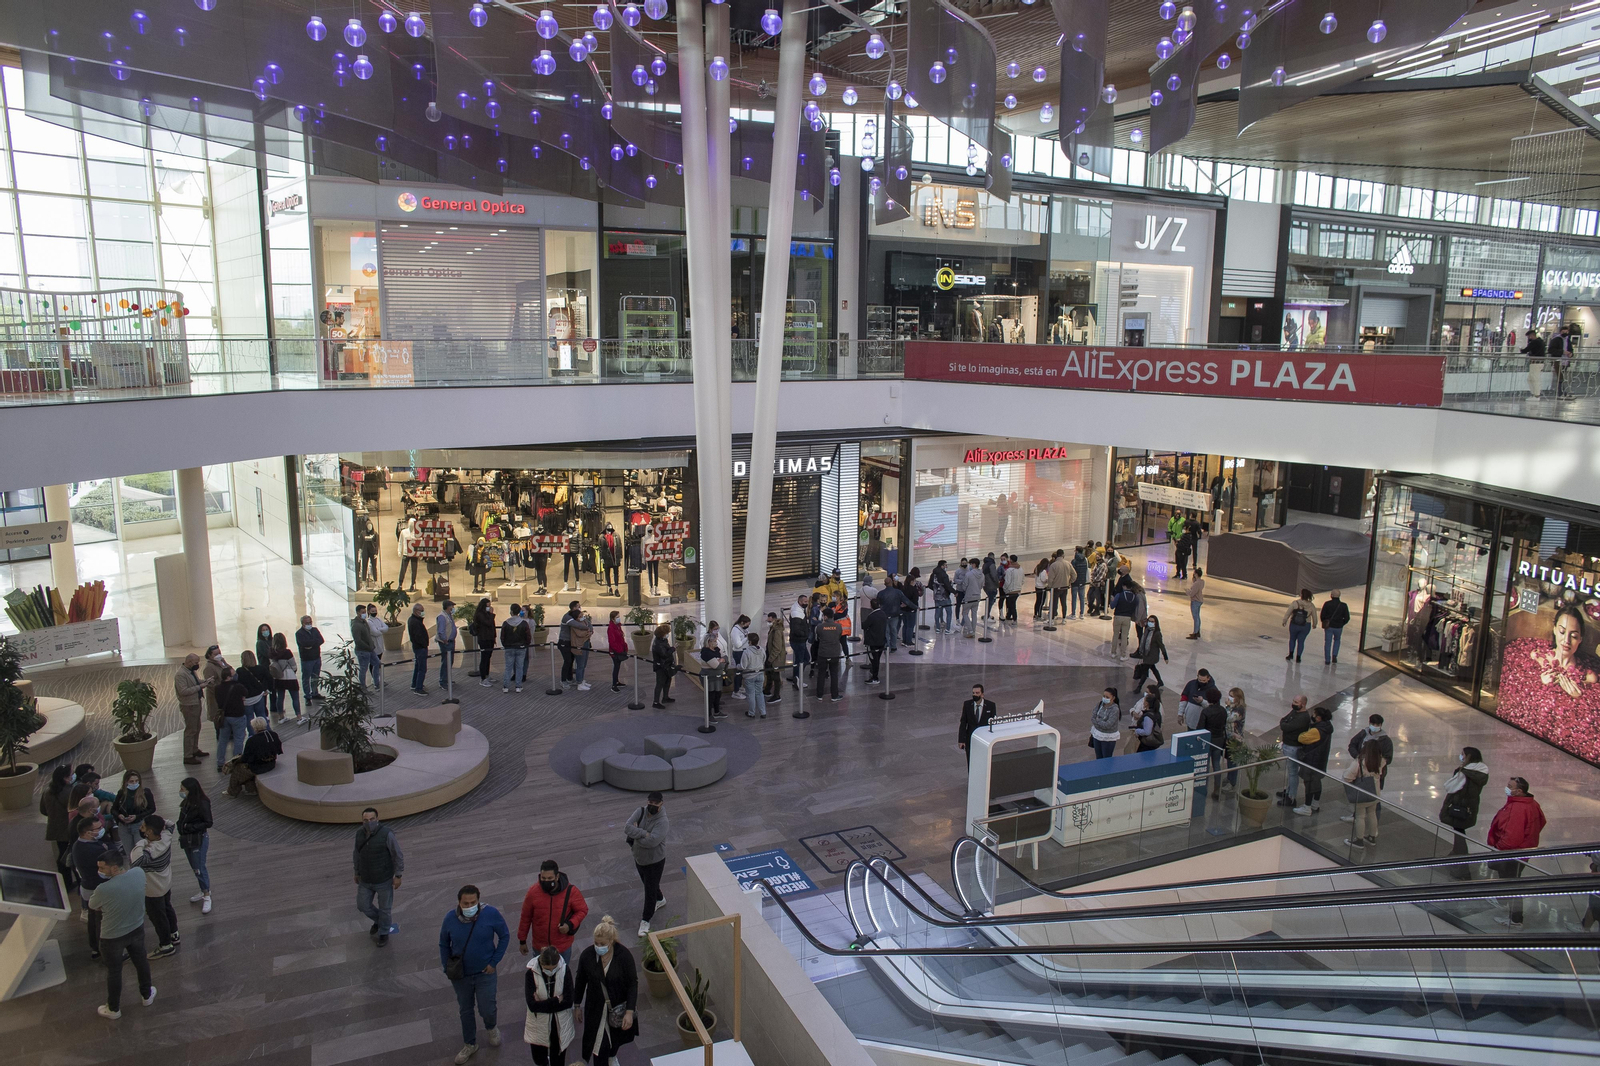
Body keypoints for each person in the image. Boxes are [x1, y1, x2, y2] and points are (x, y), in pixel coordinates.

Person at [439, 884, 510, 1064]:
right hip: (461, 975)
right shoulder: (449, 919)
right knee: (465, 1010)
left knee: (487, 1007)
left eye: (473, 902)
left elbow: (504, 936)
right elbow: (443, 944)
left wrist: (494, 962)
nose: (469, 906)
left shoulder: (491, 914)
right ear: (459, 902)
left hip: (485, 973)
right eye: (465, 903)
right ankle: (470, 1043)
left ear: (478, 901)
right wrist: (446, 966)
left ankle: (491, 1027)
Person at [90, 850, 155, 1019]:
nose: (99, 871)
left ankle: (113, 1008)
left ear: (113, 868)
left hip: (112, 937)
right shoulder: (138, 873)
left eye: (102, 868)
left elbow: (93, 905)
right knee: (141, 962)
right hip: (136, 928)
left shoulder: (103, 889)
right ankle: (147, 995)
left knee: (114, 971)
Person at [573, 916, 638, 1066]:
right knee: (599, 1048)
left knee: (614, 1039)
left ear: (611, 941)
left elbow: (632, 983)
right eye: (596, 943)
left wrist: (629, 1011)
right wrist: (577, 1005)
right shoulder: (587, 956)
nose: (598, 946)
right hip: (595, 1008)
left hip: (617, 1007)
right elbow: (581, 980)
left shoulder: (624, 956)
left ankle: (612, 1055)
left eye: (602, 944)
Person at [1487, 777, 1547, 927]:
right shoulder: (1532, 803)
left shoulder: (1517, 809)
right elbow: (1542, 821)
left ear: (1519, 791)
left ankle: (1515, 919)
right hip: (1524, 851)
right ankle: (1504, 902)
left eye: (1510, 786)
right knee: (1511, 881)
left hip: (1512, 854)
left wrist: (1498, 848)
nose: (1507, 788)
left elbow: (1511, 838)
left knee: (1512, 885)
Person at [519, 860, 590, 964]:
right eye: (543, 878)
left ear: (557, 877)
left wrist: (570, 925)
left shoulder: (571, 892)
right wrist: (522, 940)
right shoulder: (533, 892)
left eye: (550, 878)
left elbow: (582, 910)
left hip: (562, 947)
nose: (546, 881)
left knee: (562, 975)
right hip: (540, 947)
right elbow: (525, 917)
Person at [130, 814, 178, 958]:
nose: (141, 828)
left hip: (152, 889)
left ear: (149, 832)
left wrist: (141, 842)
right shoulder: (166, 837)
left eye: (144, 827)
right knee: (167, 908)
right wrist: (160, 822)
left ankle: (166, 945)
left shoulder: (149, 852)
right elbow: (170, 824)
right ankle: (174, 934)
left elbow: (135, 862)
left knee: (158, 917)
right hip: (165, 883)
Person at [354, 806, 404, 946]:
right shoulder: (359, 834)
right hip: (365, 879)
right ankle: (379, 921)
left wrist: (398, 875)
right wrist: (356, 872)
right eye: (365, 820)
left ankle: (383, 932)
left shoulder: (387, 834)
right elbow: (356, 854)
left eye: (372, 819)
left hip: (383, 879)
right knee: (363, 905)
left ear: (377, 819)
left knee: (385, 909)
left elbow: (397, 855)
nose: (369, 822)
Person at [625, 792, 669, 937]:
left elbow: (653, 842)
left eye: (655, 803)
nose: (652, 805)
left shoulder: (663, 822)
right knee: (649, 884)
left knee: (649, 890)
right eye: (650, 802)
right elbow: (627, 827)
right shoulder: (640, 811)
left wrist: (636, 835)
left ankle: (646, 920)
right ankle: (660, 899)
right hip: (639, 858)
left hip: (655, 861)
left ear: (661, 804)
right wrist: (644, 834)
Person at [525, 944, 576, 1066]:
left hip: (559, 1023)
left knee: (558, 1060)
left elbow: (569, 1001)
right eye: (547, 969)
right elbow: (532, 1005)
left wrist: (542, 1004)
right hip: (539, 1023)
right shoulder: (531, 974)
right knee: (538, 1058)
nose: (551, 972)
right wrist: (557, 1000)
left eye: (553, 968)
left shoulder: (564, 970)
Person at [1440, 747, 1489, 872]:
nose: (1461, 756)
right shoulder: (1481, 772)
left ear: (1468, 757)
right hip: (1470, 808)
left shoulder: (1464, 773)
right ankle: (1455, 856)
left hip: (1459, 807)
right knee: (1459, 832)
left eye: (1463, 754)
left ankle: (1461, 864)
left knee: (1459, 834)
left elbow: (1450, 787)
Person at [72, 815, 109, 957]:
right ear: (87, 833)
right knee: (101, 922)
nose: (102, 829)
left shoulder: (77, 845)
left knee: (93, 921)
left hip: (88, 888)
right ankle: (103, 950)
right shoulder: (93, 850)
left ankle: (95, 948)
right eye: (98, 828)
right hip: (97, 888)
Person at [175, 777, 212, 914]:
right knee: (195, 867)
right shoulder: (187, 802)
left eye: (183, 789)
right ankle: (204, 888)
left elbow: (208, 822)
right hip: (187, 840)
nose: (180, 791)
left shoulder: (202, 803)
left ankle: (206, 894)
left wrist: (188, 827)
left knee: (199, 867)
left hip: (198, 839)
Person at [1343, 738, 1387, 849]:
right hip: (1375, 792)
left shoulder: (1360, 761)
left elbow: (1347, 777)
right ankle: (1372, 837)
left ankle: (1359, 840)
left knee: (1360, 816)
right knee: (1372, 814)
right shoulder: (1381, 761)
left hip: (1362, 793)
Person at [1293, 706, 1334, 815]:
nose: (1313, 716)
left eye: (1315, 715)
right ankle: (1315, 803)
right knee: (1317, 782)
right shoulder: (1327, 727)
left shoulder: (1316, 730)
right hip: (1321, 760)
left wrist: (1303, 733)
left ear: (1319, 718)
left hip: (1312, 760)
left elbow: (1301, 738)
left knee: (1309, 784)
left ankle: (1307, 807)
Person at [40, 764, 76, 889]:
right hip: (69, 828)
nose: (73, 776)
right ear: (65, 777)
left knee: (62, 854)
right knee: (71, 855)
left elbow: (43, 810)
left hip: (55, 829)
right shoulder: (68, 792)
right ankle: (73, 882)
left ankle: (66, 883)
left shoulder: (47, 791)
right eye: (71, 774)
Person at [173, 653, 212, 765]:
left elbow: (196, 681)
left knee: (197, 727)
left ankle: (194, 749)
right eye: (196, 662)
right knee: (191, 730)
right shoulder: (180, 675)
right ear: (189, 662)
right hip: (189, 705)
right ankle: (188, 755)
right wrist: (200, 687)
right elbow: (183, 691)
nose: (197, 665)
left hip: (195, 702)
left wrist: (205, 681)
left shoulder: (190, 671)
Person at [227, 718, 282, 797]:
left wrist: (235, 761)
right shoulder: (273, 735)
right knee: (246, 768)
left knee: (238, 769)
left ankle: (232, 792)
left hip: (259, 767)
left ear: (254, 728)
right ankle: (250, 789)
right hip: (271, 763)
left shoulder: (252, 740)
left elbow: (246, 757)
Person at [213, 666, 251, 775]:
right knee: (238, 739)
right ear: (229, 676)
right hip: (238, 716)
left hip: (224, 717)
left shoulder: (218, 688)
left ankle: (220, 763)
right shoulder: (238, 687)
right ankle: (236, 763)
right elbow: (246, 693)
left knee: (222, 740)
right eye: (233, 673)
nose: (236, 675)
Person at [110, 769, 156, 856]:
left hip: (139, 825)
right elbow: (113, 809)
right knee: (130, 854)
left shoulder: (145, 792)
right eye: (131, 781)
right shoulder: (122, 793)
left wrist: (137, 816)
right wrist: (119, 816)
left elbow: (152, 808)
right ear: (126, 782)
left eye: (136, 781)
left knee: (140, 852)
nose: (134, 783)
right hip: (124, 826)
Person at [1277, 696, 1312, 806]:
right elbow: (1283, 720)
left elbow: (1286, 726)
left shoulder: (1303, 717)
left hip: (1294, 747)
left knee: (1293, 773)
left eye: (1296, 702)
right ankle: (1288, 791)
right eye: (1293, 701)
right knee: (1290, 771)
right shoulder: (1295, 712)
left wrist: (1284, 724)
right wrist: (1284, 723)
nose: (1293, 703)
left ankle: (1291, 797)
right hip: (1288, 744)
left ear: (1303, 704)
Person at [958, 684, 997, 765]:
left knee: (983, 762)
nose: (975, 695)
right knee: (971, 761)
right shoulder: (967, 705)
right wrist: (961, 739)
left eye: (977, 693)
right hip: (971, 738)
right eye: (973, 693)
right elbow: (963, 722)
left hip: (984, 739)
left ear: (982, 694)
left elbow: (993, 723)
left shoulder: (990, 705)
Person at [268, 632, 301, 724]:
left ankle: (281, 717)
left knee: (280, 697)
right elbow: (293, 665)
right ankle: (299, 717)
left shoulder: (271, 652)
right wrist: (293, 671)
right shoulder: (287, 652)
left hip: (278, 678)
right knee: (295, 697)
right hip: (289, 677)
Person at [812, 608, 845, 702]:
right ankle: (834, 695)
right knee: (834, 674)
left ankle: (819, 694)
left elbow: (817, 638)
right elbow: (839, 636)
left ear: (825, 616)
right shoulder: (838, 626)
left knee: (821, 674)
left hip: (823, 653)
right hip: (834, 653)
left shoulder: (819, 627)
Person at [1221, 688, 1247, 790]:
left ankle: (1232, 782)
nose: (1230, 697)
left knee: (1233, 761)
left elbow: (1229, 719)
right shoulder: (1234, 707)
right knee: (1229, 760)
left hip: (1236, 739)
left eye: (1232, 696)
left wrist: (1227, 707)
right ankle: (1229, 777)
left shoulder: (1240, 709)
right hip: (1229, 737)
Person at [502, 604, 532, 693]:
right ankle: (518, 686)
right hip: (521, 648)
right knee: (519, 667)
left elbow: (502, 637)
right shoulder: (524, 623)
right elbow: (528, 636)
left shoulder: (506, 623)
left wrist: (506, 645)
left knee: (508, 667)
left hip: (509, 648)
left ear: (511, 611)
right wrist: (525, 645)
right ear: (519, 612)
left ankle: (506, 686)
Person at [699, 624, 727, 719]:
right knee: (710, 696)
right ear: (709, 642)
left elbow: (725, 658)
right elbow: (716, 666)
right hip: (709, 678)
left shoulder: (716, 649)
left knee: (718, 694)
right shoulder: (706, 653)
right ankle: (709, 715)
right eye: (714, 641)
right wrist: (721, 661)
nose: (716, 643)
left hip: (717, 677)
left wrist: (721, 660)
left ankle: (717, 711)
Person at [1282, 588, 1317, 663]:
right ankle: (1298, 657)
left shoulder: (1295, 603)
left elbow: (1288, 612)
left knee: (1292, 639)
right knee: (1301, 641)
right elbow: (1314, 616)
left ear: (1301, 595)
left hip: (1294, 624)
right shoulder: (1311, 605)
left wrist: (1284, 620)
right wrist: (1315, 624)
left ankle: (1291, 654)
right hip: (1305, 625)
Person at [237, 649, 272, 724]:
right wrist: (267, 689)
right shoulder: (261, 668)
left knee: (249, 718)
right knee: (262, 715)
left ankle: (252, 734)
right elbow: (270, 679)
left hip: (247, 699)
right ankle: (266, 732)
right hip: (259, 695)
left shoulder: (240, 671)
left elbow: (238, 685)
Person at [296, 615, 325, 703]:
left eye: (310, 622)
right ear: (302, 623)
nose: (309, 624)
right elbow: (304, 644)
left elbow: (321, 640)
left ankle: (315, 693)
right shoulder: (299, 633)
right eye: (307, 623)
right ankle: (307, 696)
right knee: (306, 678)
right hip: (307, 659)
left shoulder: (315, 630)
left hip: (316, 657)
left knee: (315, 677)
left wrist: (311, 644)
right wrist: (314, 642)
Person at [1133, 615, 1168, 688]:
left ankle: (1139, 687)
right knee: (1153, 668)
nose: (1150, 623)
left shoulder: (1157, 633)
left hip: (1152, 655)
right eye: (1149, 621)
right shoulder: (1147, 630)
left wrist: (1165, 656)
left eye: (1152, 622)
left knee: (1145, 671)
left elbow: (1161, 645)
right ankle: (1160, 681)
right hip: (1146, 654)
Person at [1319, 589, 1350, 665]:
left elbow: (1322, 615)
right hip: (1338, 627)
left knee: (1328, 642)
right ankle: (1334, 656)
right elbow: (1347, 618)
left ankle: (1327, 659)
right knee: (1337, 640)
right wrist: (1342, 623)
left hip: (1329, 626)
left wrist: (1325, 622)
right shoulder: (1343, 605)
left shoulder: (1327, 604)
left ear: (1331, 595)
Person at [352, 605, 380, 690]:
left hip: (370, 649)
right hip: (362, 651)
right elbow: (358, 640)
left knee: (377, 663)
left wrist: (371, 645)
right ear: (358, 613)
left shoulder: (364, 622)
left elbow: (368, 635)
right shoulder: (356, 625)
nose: (364, 614)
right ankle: (363, 687)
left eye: (365, 612)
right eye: (363, 612)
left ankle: (376, 682)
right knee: (363, 669)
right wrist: (368, 647)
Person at [1110, 579, 1139, 659]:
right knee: (1124, 636)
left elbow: (1112, 606)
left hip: (1118, 616)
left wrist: (1111, 600)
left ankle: (1113, 652)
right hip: (1127, 618)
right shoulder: (1135, 597)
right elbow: (1135, 608)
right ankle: (1123, 654)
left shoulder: (1119, 595)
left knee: (1115, 635)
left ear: (1124, 586)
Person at [862, 596, 889, 685]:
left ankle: (875, 677)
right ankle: (874, 673)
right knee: (877, 659)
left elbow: (864, 626)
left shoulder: (871, 616)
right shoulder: (883, 614)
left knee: (874, 659)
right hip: (881, 640)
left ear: (871, 606)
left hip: (872, 641)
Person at [1089, 688, 1122, 759]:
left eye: (1107, 697)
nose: (1104, 698)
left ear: (1113, 698)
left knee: (1106, 758)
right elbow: (1093, 717)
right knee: (1098, 756)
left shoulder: (1114, 709)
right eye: (1104, 696)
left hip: (1108, 737)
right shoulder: (1100, 704)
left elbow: (1107, 725)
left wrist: (1098, 721)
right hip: (1097, 734)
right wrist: (1100, 722)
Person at [406, 603, 431, 695]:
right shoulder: (415, 622)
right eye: (421, 610)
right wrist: (424, 644)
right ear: (416, 611)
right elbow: (418, 636)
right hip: (420, 648)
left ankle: (414, 684)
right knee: (422, 668)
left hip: (418, 647)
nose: (423, 612)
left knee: (417, 666)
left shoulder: (413, 620)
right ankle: (418, 688)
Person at [1131, 685, 1164, 752]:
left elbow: (1147, 731)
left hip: (1146, 742)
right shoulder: (1154, 712)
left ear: (1147, 703)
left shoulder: (1148, 716)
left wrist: (1137, 731)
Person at [788, 594, 812, 687]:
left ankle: (796, 677)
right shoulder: (797, 613)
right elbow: (796, 629)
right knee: (803, 659)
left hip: (799, 640)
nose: (806, 603)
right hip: (799, 641)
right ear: (800, 601)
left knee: (800, 660)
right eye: (805, 602)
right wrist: (805, 635)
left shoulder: (799, 609)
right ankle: (797, 679)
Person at [650, 623, 676, 709]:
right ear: (662, 634)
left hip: (666, 665)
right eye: (667, 633)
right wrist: (673, 648)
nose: (668, 634)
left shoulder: (663, 641)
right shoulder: (658, 644)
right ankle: (656, 702)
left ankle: (665, 697)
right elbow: (664, 655)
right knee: (660, 683)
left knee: (667, 681)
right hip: (661, 667)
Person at [473, 599, 497, 687]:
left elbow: (492, 626)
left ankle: (487, 675)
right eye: (488, 606)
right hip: (484, 639)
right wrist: (491, 614)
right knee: (484, 658)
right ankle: (483, 678)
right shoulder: (480, 615)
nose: (489, 607)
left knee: (488, 657)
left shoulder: (487, 614)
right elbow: (488, 623)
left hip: (490, 638)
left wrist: (494, 637)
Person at [437, 599, 459, 691]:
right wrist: (445, 641)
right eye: (452, 606)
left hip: (451, 641)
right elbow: (441, 631)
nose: (453, 608)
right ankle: (443, 681)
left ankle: (447, 679)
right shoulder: (442, 617)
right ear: (447, 607)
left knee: (450, 662)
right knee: (446, 662)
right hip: (446, 643)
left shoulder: (449, 615)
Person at [570, 608, 594, 692]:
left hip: (586, 643)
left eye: (582, 615)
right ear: (576, 618)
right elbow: (580, 634)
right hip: (579, 645)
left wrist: (589, 631)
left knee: (584, 664)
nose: (582, 617)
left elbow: (589, 627)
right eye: (580, 616)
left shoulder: (585, 621)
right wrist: (588, 632)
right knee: (580, 665)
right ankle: (579, 683)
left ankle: (582, 680)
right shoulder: (575, 624)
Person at [727, 615, 750, 699]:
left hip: (743, 652)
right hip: (739, 653)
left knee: (741, 672)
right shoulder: (735, 631)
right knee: (739, 672)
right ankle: (735, 691)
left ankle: (739, 687)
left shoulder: (742, 629)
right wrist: (746, 638)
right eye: (747, 624)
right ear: (742, 623)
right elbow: (738, 644)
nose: (747, 626)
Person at [764, 612, 785, 704]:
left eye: (769, 620)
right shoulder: (773, 629)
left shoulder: (776, 631)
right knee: (769, 673)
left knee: (776, 676)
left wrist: (770, 659)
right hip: (771, 656)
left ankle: (777, 695)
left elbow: (777, 647)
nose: (767, 622)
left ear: (772, 619)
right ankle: (767, 690)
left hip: (775, 658)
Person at [959, 559, 984, 637]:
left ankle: (970, 630)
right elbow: (982, 585)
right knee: (974, 613)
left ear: (973, 564)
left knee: (965, 613)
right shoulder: (982, 575)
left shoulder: (969, 574)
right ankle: (973, 630)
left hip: (969, 596)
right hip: (978, 595)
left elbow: (965, 586)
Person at [605, 611, 629, 692]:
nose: (619, 618)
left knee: (617, 667)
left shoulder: (618, 626)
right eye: (617, 617)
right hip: (615, 651)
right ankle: (614, 685)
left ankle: (616, 681)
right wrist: (619, 650)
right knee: (616, 667)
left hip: (620, 649)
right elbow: (612, 642)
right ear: (613, 619)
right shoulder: (611, 628)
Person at [1522, 325, 1547, 398]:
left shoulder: (1534, 342)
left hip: (1535, 362)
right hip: (1540, 362)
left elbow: (1525, 350)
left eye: (1529, 336)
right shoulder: (1541, 341)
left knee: (1534, 378)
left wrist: (1521, 350)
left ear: (1531, 336)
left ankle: (1536, 394)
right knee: (1531, 378)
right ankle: (1534, 393)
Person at [930, 561, 955, 633]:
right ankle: (948, 629)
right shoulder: (944, 575)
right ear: (942, 566)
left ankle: (938, 628)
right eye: (945, 565)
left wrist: (935, 590)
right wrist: (954, 592)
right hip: (945, 596)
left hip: (937, 597)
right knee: (949, 612)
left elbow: (929, 584)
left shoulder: (933, 574)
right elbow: (947, 585)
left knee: (937, 612)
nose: (946, 567)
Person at [1002, 557, 1024, 623]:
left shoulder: (1009, 570)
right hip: (1018, 589)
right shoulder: (1021, 569)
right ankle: (1008, 616)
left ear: (1011, 560)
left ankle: (1014, 618)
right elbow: (1023, 580)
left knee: (1011, 605)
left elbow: (1007, 581)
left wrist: (1005, 588)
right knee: (1012, 604)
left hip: (1010, 590)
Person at [1187, 568, 1205, 639]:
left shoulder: (1196, 584)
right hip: (1200, 600)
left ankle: (1195, 632)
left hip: (1195, 601)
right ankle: (1197, 631)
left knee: (1196, 617)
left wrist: (1187, 591)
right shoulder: (1202, 581)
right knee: (1197, 617)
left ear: (1196, 574)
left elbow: (1192, 593)